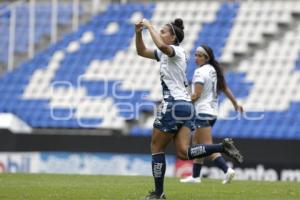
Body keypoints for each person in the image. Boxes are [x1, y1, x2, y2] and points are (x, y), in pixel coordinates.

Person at [135, 18, 243, 200]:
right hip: (186, 107)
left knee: (156, 146)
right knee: (183, 153)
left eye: (163, 32)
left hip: (174, 105)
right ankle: (221, 147)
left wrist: (149, 26)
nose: (160, 34)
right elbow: (141, 51)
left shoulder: (175, 51)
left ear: (173, 37)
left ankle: (159, 193)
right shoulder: (171, 53)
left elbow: (161, 47)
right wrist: (138, 33)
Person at [180, 45, 244, 184]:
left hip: (203, 112)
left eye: (199, 55)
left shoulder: (199, 72)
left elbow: (196, 95)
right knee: (197, 143)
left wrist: (181, 101)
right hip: (212, 113)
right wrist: (235, 104)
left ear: (206, 58)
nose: (196, 58)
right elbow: (225, 88)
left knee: (206, 146)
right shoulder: (214, 70)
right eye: (195, 55)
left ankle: (227, 170)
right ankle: (195, 177)